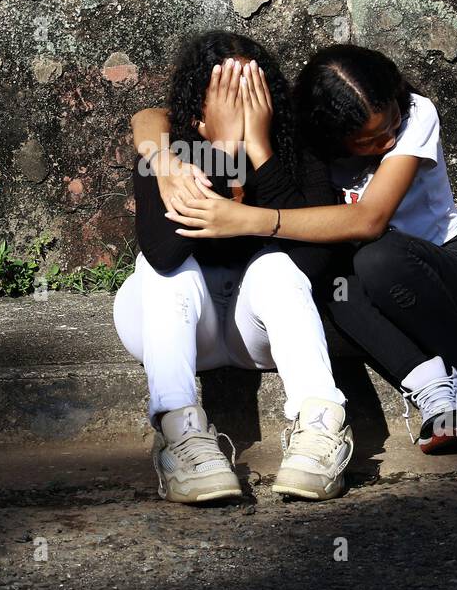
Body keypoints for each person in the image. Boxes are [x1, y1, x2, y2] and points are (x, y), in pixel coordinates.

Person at [137, 44, 457, 453]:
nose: (388, 141)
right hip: (370, 293)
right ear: (329, 131)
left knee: (376, 254)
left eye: (390, 125)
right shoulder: (302, 131)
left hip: (451, 281)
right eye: (368, 141)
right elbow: (149, 117)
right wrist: (162, 159)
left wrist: (249, 215)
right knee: (325, 275)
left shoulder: (417, 114)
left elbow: (368, 220)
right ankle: (432, 386)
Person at [114, 31, 354, 504]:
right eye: (227, 92)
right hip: (179, 321)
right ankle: (179, 433)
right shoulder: (170, 159)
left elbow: (312, 262)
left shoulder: (294, 150)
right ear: (197, 108)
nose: (241, 104)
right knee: (172, 272)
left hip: (253, 331)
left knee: (277, 267)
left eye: (253, 89)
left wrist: (260, 152)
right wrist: (221, 154)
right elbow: (163, 255)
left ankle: (321, 427)